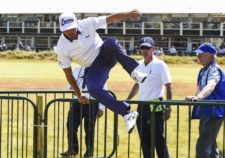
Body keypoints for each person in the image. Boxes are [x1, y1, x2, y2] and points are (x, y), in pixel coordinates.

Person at [54, 10, 148, 133]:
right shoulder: (61, 47)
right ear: (62, 29)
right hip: (93, 68)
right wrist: (78, 94)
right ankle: (127, 113)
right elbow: (68, 73)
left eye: (72, 28)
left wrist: (128, 14)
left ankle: (134, 72)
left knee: (110, 42)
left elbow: (110, 19)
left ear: (76, 24)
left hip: (106, 55)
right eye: (66, 30)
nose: (70, 32)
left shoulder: (86, 24)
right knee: (93, 89)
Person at [127, 37, 172, 158]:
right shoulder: (139, 65)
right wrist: (128, 99)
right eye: (142, 47)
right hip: (141, 105)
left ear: (154, 49)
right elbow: (137, 84)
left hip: (156, 103)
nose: (145, 50)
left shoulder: (160, 65)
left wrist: (168, 108)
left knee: (158, 138)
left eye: (147, 47)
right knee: (145, 140)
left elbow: (168, 86)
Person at [185, 43, 225, 158]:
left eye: (201, 54)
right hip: (207, 111)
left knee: (202, 147)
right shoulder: (203, 70)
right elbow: (201, 88)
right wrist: (196, 97)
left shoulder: (214, 70)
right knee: (211, 146)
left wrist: (197, 98)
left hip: (215, 112)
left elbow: (211, 86)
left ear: (211, 56)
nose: (198, 56)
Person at [61, 65, 106, 158]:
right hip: (77, 101)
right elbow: (71, 83)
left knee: (89, 128)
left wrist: (101, 107)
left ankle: (89, 153)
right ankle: (72, 149)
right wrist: (69, 88)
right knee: (70, 125)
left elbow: (104, 89)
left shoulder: (98, 69)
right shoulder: (77, 69)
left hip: (92, 102)